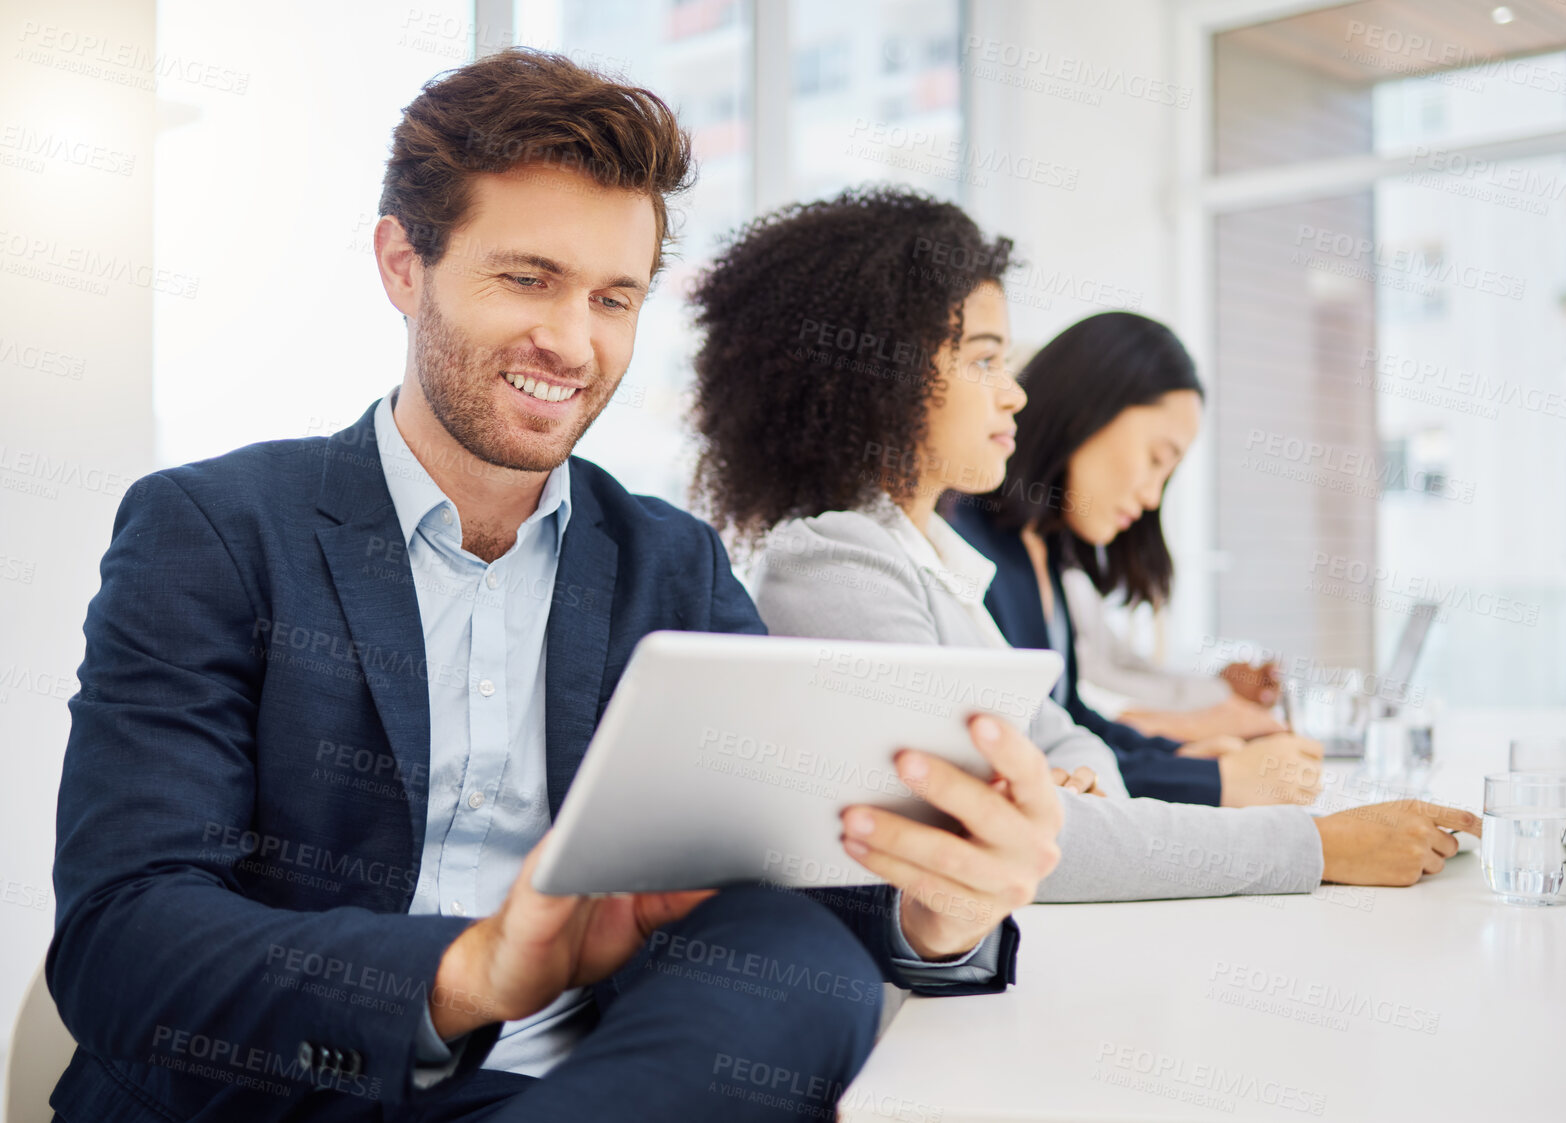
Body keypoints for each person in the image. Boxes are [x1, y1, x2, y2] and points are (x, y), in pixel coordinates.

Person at [48, 51, 1062, 1123]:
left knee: (788, 946)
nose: (572, 342)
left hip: (589, 1085)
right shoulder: (213, 529)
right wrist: (472, 972)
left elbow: (797, 870)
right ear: (403, 263)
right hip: (280, 1090)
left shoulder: (669, 561)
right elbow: (127, 934)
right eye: (527, 278)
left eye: (612, 298)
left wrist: (938, 906)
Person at [687, 185, 1479, 907]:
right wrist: (1315, 844)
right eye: (984, 359)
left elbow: (1063, 737)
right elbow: (989, 845)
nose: (1014, 391)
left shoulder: (935, 560)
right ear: (876, 380)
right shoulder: (836, 563)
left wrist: (1075, 787)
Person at [943, 311, 1319, 807]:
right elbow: (1026, 759)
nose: (1151, 498)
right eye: (1156, 459)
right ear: (1088, 409)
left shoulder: (1041, 548)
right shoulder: (964, 543)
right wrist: (1214, 780)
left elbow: (1067, 719)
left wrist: (1180, 756)